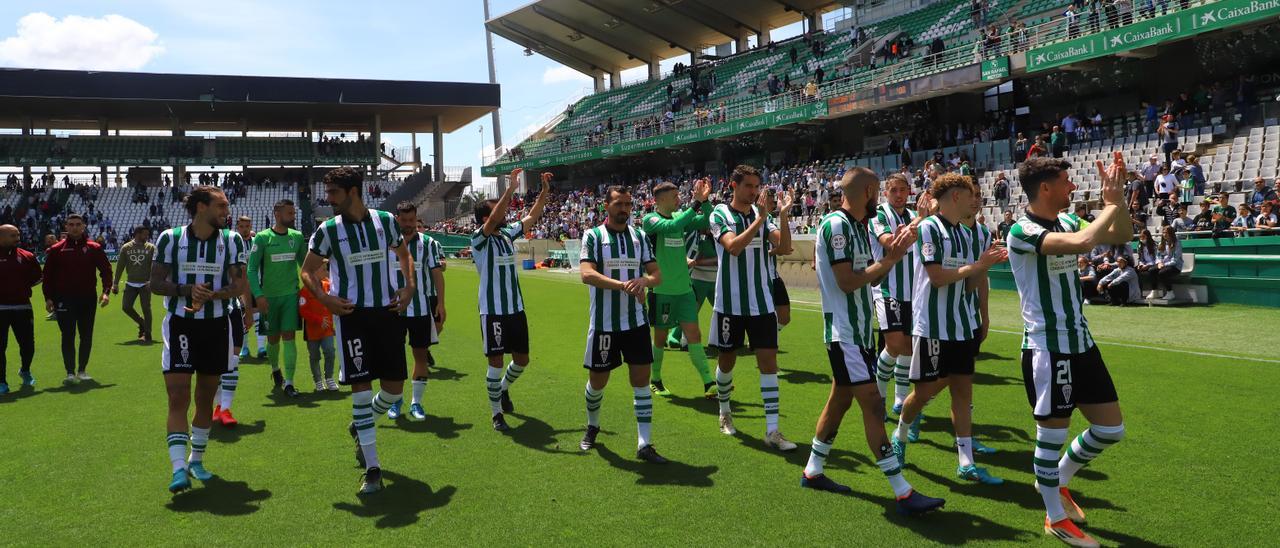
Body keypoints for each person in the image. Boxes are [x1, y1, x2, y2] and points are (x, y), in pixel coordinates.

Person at [799, 166, 946, 515]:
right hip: (844, 333)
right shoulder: (837, 225)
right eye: (877, 191)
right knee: (873, 406)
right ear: (866, 192)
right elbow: (847, 281)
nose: (879, 198)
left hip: (860, 332)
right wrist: (890, 259)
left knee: (839, 401)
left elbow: (874, 276)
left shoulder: (859, 227)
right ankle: (902, 491)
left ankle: (813, 469)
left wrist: (892, 256)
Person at [1007, 155, 1132, 547]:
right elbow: (1083, 242)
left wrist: (1119, 199)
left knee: (1111, 429)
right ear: (1045, 188)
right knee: (1050, 436)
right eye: (1065, 182)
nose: (1072, 188)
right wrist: (1108, 205)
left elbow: (1119, 235)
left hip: (1081, 341)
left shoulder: (1068, 219)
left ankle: (1057, 480)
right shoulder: (1021, 230)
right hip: (1048, 348)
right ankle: (1055, 518)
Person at [300, 167, 415, 496]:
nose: (328, 198)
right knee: (361, 390)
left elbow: (404, 254)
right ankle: (373, 468)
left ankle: (359, 424)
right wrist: (324, 298)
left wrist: (409, 286)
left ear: (352, 191)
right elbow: (307, 270)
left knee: (393, 391)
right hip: (352, 316)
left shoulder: (386, 221)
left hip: (388, 312)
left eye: (334, 192)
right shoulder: (328, 230)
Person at [892, 173, 1008, 486]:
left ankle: (966, 462)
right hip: (932, 325)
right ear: (955, 196)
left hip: (961, 325)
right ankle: (900, 435)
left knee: (962, 390)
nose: (976, 200)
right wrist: (978, 264)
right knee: (925, 391)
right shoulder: (929, 228)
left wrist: (984, 268)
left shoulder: (972, 235)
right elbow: (938, 277)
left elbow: (970, 283)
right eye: (971, 194)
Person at [149, 185, 248, 493]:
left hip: (217, 325)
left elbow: (239, 285)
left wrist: (214, 295)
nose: (226, 212)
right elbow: (155, 283)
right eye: (221, 206)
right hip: (181, 324)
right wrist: (186, 291)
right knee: (178, 396)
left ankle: (197, 460)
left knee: (205, 397)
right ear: (201, 207)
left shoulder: (232, 241)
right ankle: (178, 469)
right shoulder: (170, 238)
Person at [707, 165, 797, 450]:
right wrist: (760, 220)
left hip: (762, 303)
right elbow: (733, 247)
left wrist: (781, 216)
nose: (755, 191)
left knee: (768, 363)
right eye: (749, 186)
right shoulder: (720, 213)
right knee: (727, 360)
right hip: (730, 304)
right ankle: (724, 412)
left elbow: (783, 248)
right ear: (734, 186)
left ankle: (772, 431)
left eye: (757, 186)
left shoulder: (763, 217)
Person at [576, 186, 667, 463]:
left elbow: (656, 274)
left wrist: (644, 281)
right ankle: (593, 425)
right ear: (606, 206)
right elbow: (586, 274)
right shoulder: (593, 236)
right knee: (597, 383)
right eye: (619, 203)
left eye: (628, 203)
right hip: (605, 324)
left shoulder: (639, 237)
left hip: (637, 323)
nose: (624, 208)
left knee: (640, 382)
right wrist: (623, 286)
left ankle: (644, 444)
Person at [471, 169, 551, 432]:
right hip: (492, 311)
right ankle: (496, 414)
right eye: (498, 211)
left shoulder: (507, 235)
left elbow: (531, 216)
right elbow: (496, 216)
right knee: (495, 363)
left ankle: (503, 389)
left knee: (522, 360)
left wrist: (544, 192)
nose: (505, 213)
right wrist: (511, 188)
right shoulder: (479, 240)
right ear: (486, 218)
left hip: (516, 309)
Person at [641, 179, 715, 397]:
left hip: (684, 290)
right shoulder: (650, 219)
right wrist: (695, 202)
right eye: (674, 197)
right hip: (662, 290)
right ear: (661, 199)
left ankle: (708, 382)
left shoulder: (678, 217)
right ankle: (655, 378)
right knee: (660, 339)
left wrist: (706, 200)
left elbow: (708, 221)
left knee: (695, 335)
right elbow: (672, 227)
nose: (678, 199)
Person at [389, 202, 446, 422]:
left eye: (412, 220)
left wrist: (440, 303)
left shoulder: (428, 243)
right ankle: (396, 401)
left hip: (421, 309)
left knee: (420, 356)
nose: (408, 225)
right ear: (397, 220)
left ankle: (416, 402)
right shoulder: (387, 243)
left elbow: (437, 275)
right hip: (393, 310)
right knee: (394, 358)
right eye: (404, 221)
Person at [869, 174, 918, 416]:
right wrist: (921, 220)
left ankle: (900, 400)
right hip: (887, 287)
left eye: (903, 190)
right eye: (894, 190)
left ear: (909, 191)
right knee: (895, 344)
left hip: (913, 291)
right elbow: (890, 242)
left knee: (908, 347)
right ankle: (878, 396)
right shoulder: (878, 214)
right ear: (886, 193)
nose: (899, 195)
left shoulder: (912, 216)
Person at [247, 200, 307, 396]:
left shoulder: (297, 237)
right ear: (277, 214)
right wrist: (259, 295)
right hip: (269, 298)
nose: (293, 217)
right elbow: (251, 269)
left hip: (291, 296)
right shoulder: (263, 238)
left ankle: (289, 382)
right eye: (290, 213)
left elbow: (305, 267)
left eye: (294, 213)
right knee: (273, 340)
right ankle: (275, 370)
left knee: (289, 337)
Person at [43, 214, 112, 385]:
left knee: (86, 335)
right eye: (71, 224)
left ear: (84, 226)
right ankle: (69, 372)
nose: (74, 227)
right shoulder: (56, 250)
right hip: (64, 300)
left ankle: (82, 370)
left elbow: (106, 271)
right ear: (66, 226)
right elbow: (48, 276)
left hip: (87, 299)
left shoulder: (94, 248)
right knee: (67, 335)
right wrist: (48, 298)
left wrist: (105, 292)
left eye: (78, 224)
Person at [0, 224, 41, 394]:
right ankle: (1, 381)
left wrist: (20, 288)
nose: (17, 238)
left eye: (18, 234)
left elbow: (37, 277)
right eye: (12, 235)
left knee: (28, 345)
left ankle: (25, 370)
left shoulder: (27, 256)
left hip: (22, 307)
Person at [298, 259, 338, 392]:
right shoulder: (305, 291)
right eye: (324, 270)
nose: (327, 272)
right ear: (314, 272)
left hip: (327, 330)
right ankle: (318, 380)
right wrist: (319, 320)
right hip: (312, 332)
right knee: (314, 356)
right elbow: (303, 311)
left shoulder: (328, 285)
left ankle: (329, 378)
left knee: (330, 352)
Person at [113, 226, 155, 343]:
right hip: (131, 283)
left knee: (146, 308)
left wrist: (151, 281)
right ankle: (142, 323)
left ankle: (147, 334)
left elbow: (155, 266)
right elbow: (120, 267)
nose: (147, 237)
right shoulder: (126, 248)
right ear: (137, 234)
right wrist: (115, 283)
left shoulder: (151, 248)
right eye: (145, 234)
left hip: (145, 284)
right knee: (126, 307)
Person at [236, 217, 268, 362]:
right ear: (237, 227)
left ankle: (261, 348)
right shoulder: (234, 243)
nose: (245, 229)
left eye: (247, 226)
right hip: (239, 287)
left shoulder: (257, 242)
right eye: (242, 226)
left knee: (259, 315)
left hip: (257, 284)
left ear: (251, 226)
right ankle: (244, 347)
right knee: (242, 317)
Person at [1149, 225, 1183, 299]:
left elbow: (1175, 259)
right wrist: (1159, 263)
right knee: (1151, 270)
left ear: (1171, 233)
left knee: (1162, 273)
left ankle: (1170, 292)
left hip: (1175, 266)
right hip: (1163, 265)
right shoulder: (1162, 242)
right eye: (1163, 232)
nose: (1164, 234)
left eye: (1166, 233)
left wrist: (1164, 264)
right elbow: (1158, 256)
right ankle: (1155, 292)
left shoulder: (1177, 243)